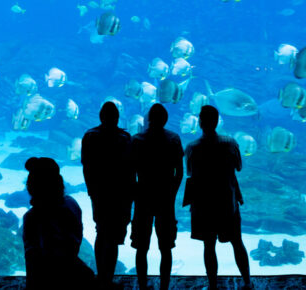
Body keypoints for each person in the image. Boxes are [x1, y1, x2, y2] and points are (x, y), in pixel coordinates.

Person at [184, 105, 251, 290]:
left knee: (209, 245)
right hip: (227, 202)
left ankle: (213, 285)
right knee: (237, 242)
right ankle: (247, 282)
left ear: (200, 123)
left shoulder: (192, 147)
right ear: (216, 122)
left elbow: (189, 172)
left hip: (203, 204)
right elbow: (239, 166)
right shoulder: (230, 143)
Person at [81, 101, 135, 287]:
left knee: (102, 231)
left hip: (100, 192)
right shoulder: (125, 137)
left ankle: (101, 276)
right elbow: (130, 168)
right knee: (113, 237)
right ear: (117, 117)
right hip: (120, 194)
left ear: (100, 117)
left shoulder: (90, 136)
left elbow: (86, 166)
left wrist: (91, 190)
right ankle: (108, 278)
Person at [130, 104, 183, 290]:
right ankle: (165, 286)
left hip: (143, 197)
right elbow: (179, 172)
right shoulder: (173, 138)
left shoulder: (136, 139)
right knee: (166, 248)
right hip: (165, 198)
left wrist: (136, 192)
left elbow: (130, 172)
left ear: (147, 120)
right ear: (165, 119)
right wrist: (172, 193)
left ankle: (143, 285)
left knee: (141, 248)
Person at [22, 156, 95, 289]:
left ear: (32, 186)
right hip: (73, 268)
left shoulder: (33, 217)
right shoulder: (71, 203)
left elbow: (33, 259)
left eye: (30, 179)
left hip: (49, 276)